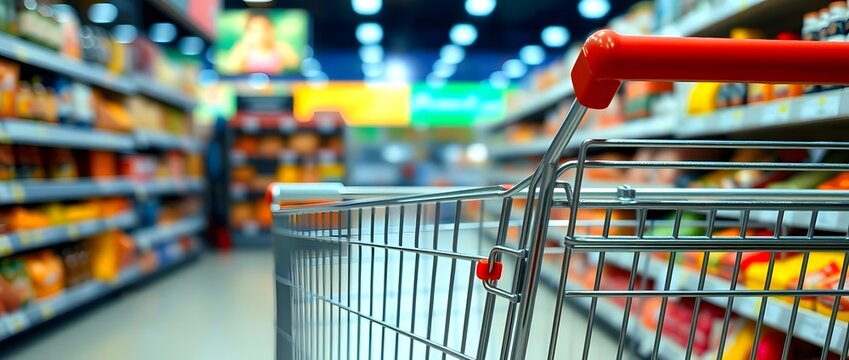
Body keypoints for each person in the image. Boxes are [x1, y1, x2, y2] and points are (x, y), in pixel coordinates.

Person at [226, 11, 299, 74]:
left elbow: (295, 66)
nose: (260, 35)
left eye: (264, 29)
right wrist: (245, 45)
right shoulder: (243, 48)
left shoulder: (281, 47)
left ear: (271, 29)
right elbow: (231, 70)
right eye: (255, 31)